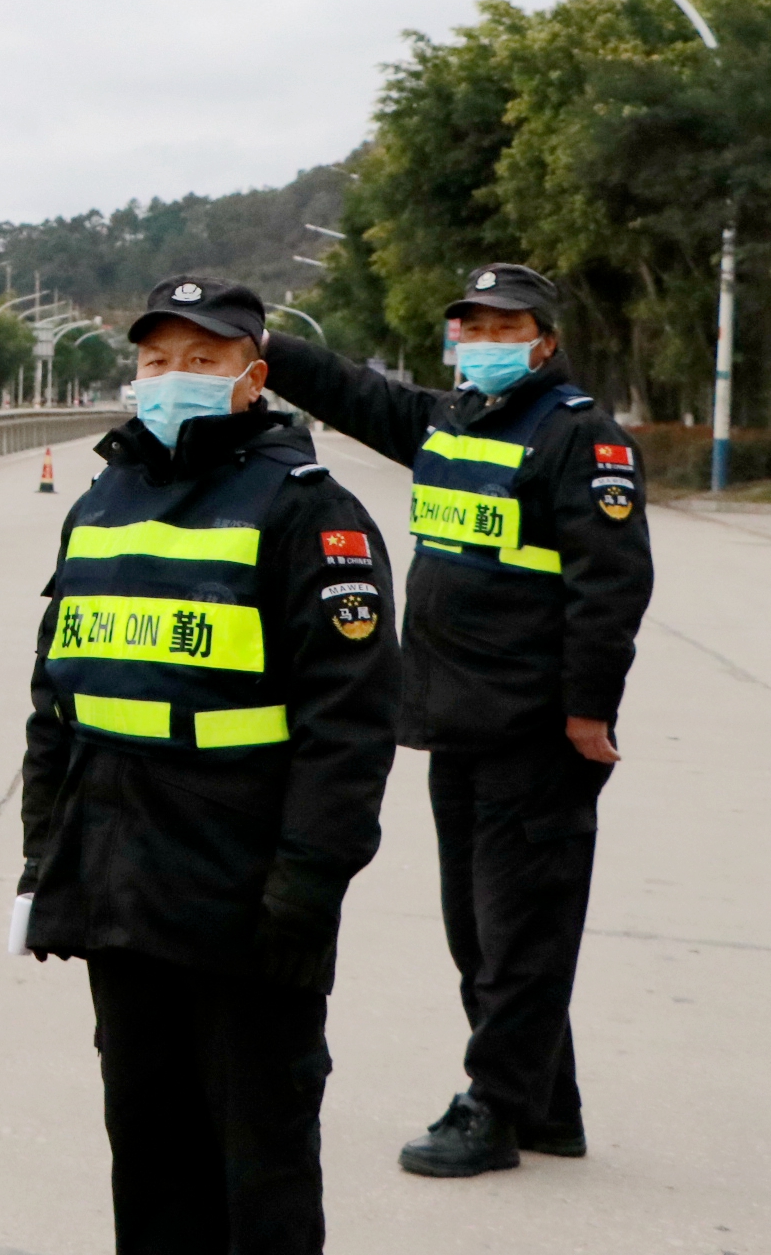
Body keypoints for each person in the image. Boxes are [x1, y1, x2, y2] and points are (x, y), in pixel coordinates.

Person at [20, 275, 400, 1254]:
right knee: (146, 1159)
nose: (172, 378)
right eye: (155, 360)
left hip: (247, 908)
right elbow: (55, 705)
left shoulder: (312, 514)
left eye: (201, 359)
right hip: (119, 891)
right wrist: (43, 859)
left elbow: (347, 728)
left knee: (257, 1167)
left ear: (252, 377)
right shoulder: (99, 504)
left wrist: (305, 886)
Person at [258, 262, 652, 1178]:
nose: (481, 344)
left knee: (520, 934)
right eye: (469, 329)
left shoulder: (580, 439)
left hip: (536, 728)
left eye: (503, 329)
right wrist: (265, 349)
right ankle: (548, 1104)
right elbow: (353, 393)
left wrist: (590, 709)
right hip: (451, 719)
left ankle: (494, 1107)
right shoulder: (452, 423)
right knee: (478, 932)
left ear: (544, 341)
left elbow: (612, 583)